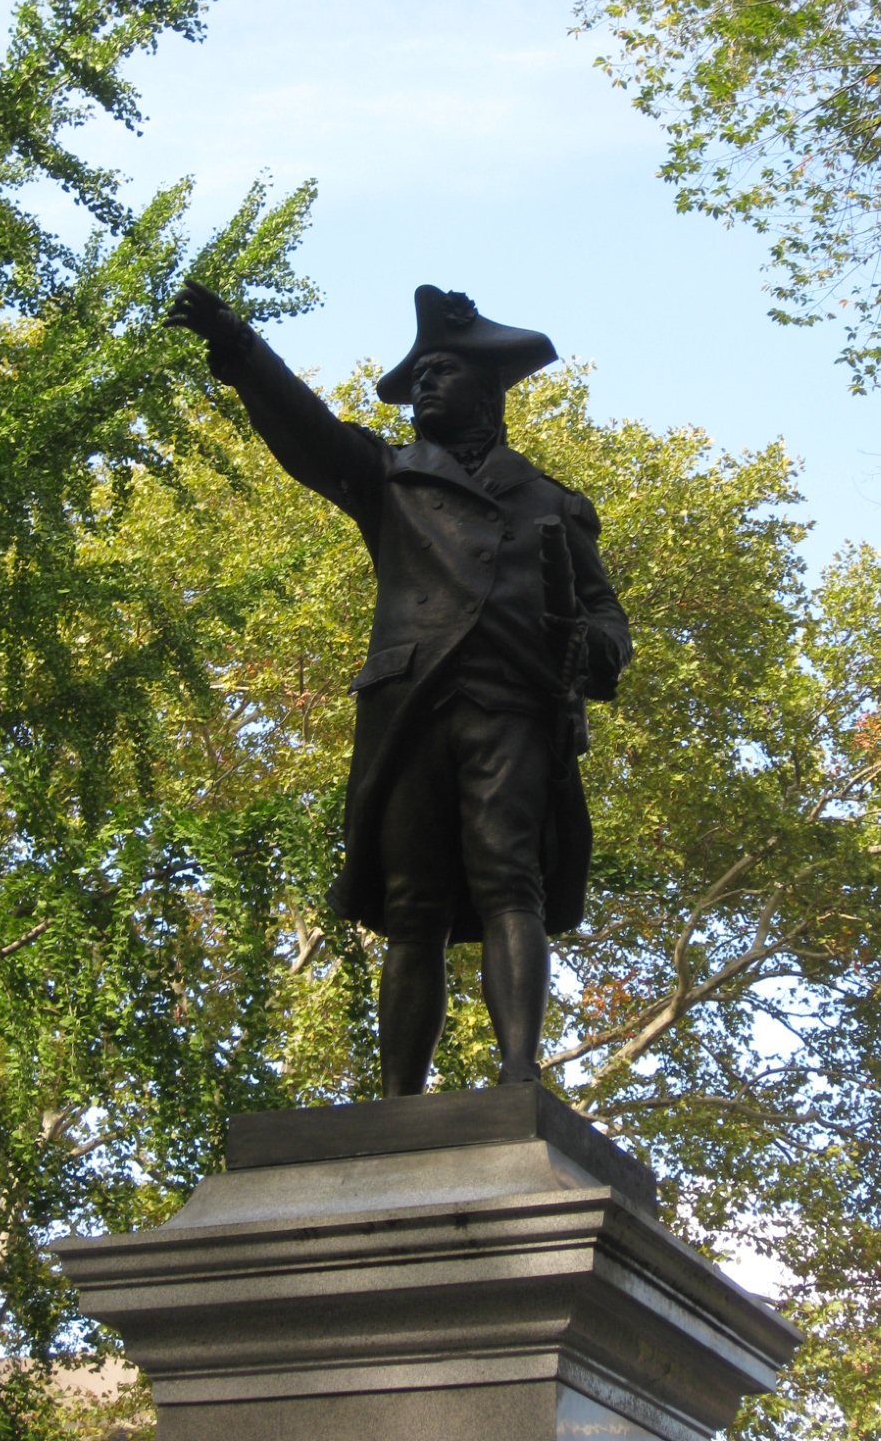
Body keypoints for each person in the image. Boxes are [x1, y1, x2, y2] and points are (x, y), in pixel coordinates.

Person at [167, 280, 632, 1094]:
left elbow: (608, 622)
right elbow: (307, 431)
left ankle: (519, 1076)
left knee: (507, 881)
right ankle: (396, 1101)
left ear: (488, 392)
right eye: (419, 374)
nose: (423, 383)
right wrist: (240, 352)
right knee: (412, 906)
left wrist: (583, 646)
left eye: (443, 370)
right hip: (411, 710)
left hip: (513, 706)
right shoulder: (388, 478)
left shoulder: (553, 503)